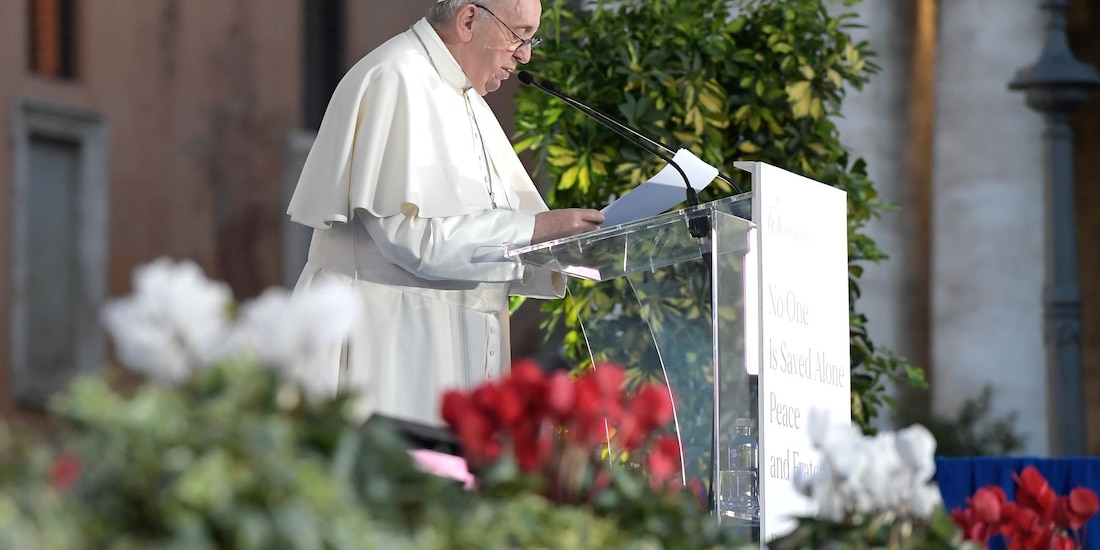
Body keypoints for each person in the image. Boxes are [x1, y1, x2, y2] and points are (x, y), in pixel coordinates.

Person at [286, 0, 604, 426]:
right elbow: (411, 239)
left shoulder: (462, 94)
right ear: (469, 19)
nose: (526, 54)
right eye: (519, 35)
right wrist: (536, 230)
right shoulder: (396, 78)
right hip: (392, 343)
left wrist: (552, 244)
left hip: (444, 340)